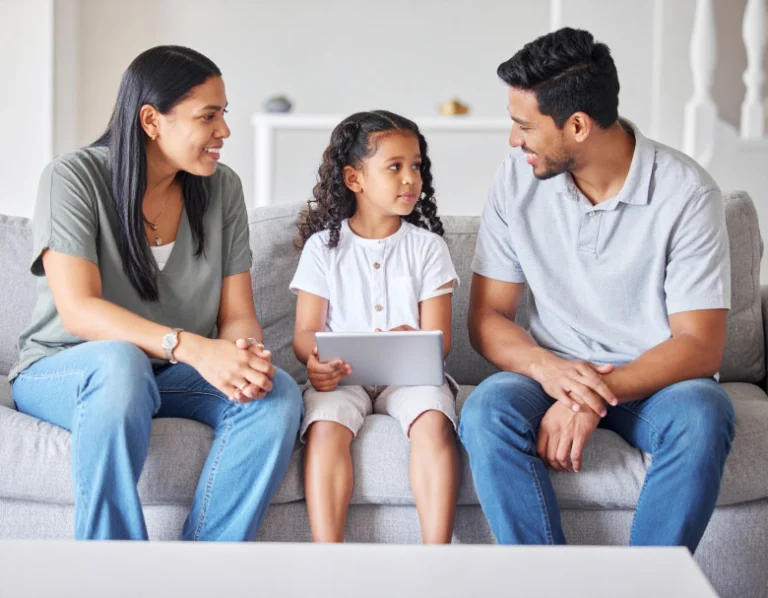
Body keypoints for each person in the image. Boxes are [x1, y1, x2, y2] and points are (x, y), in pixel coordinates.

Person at [9, 45, 302, 541]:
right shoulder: (73, 178)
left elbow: (237, 315)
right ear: (151, 120)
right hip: (69, 366)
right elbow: (79, 311)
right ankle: (114, 574)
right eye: (208, 117)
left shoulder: (221, 188)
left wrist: (241, 354)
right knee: (119, 363)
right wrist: (192, 347)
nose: (224, 132)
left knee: (274, 394)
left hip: (168, 374)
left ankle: (198, 573)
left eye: (223, 115)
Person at [459, 28, 734, 552]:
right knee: (486, 411)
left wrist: (591, 395)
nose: (513, 141)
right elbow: (488, 317)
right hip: (551, 372)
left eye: (524, 126)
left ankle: (648, 590)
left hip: (656, 381)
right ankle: (547, 586)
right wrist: (552, 372)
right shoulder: (517, 180)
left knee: (703, 415)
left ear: (578, 126)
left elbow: (700, 344)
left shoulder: (688, 194)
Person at [290, 110, 461, 543]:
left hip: (410, 377)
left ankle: (437, 556)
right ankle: (329, 559)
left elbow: (439, 341)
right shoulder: (322, 249)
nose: (410, 178)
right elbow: (306, 331)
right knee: (325, 425)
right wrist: (315, 362)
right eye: (395, 167)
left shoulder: (428, 248)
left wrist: (415, 341)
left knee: (433, 420)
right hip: (343, 377)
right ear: (354, 179)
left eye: (416, 166)